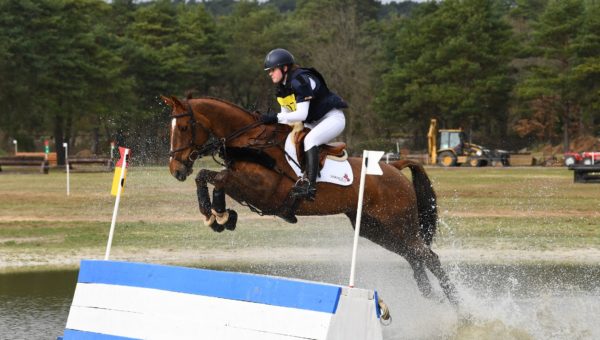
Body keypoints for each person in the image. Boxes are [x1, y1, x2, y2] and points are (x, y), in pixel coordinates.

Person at [260, 48, 348, 201]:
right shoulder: (282, 88)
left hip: (332, 119)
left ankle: (310, 187)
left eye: (273, 69)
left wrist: (275, 117)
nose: (270, 73)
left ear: (284, 68)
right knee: (290, 141)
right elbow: (286, 117)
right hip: (315, 122)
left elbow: (301, 115)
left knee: (310, 140)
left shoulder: (300, 81)